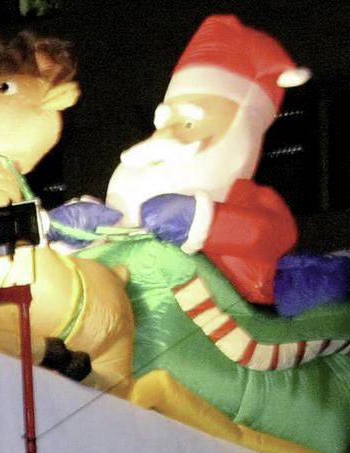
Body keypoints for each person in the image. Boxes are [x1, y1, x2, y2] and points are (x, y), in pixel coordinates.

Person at [50, 14, 310, 306]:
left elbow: (269, 233)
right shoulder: (146, 169)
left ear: (240, 135)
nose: (166, 137)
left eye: (188, 123)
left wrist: (203, 221)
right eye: (163, 123)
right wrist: (72, 234)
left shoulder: (250, 200)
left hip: (221, 315)